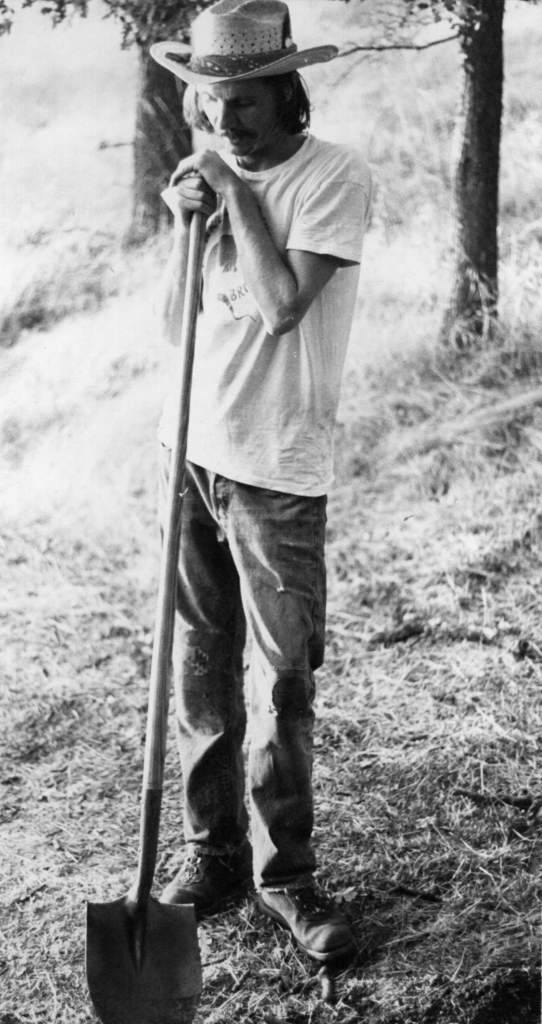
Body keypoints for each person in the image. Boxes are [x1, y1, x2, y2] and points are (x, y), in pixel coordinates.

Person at [150, 0, 372, 964]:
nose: (224, 121)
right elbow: (176, 326)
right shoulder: (206, 179)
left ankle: (289, 878)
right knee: (201, 665)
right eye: (210, 101)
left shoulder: (334, 177)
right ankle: (214, 856)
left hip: (276, 469)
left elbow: (281, 308)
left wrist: (231, 193)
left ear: (288, 92)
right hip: (189, 451)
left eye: (244, 101)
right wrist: (183, 226)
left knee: (280, 683)